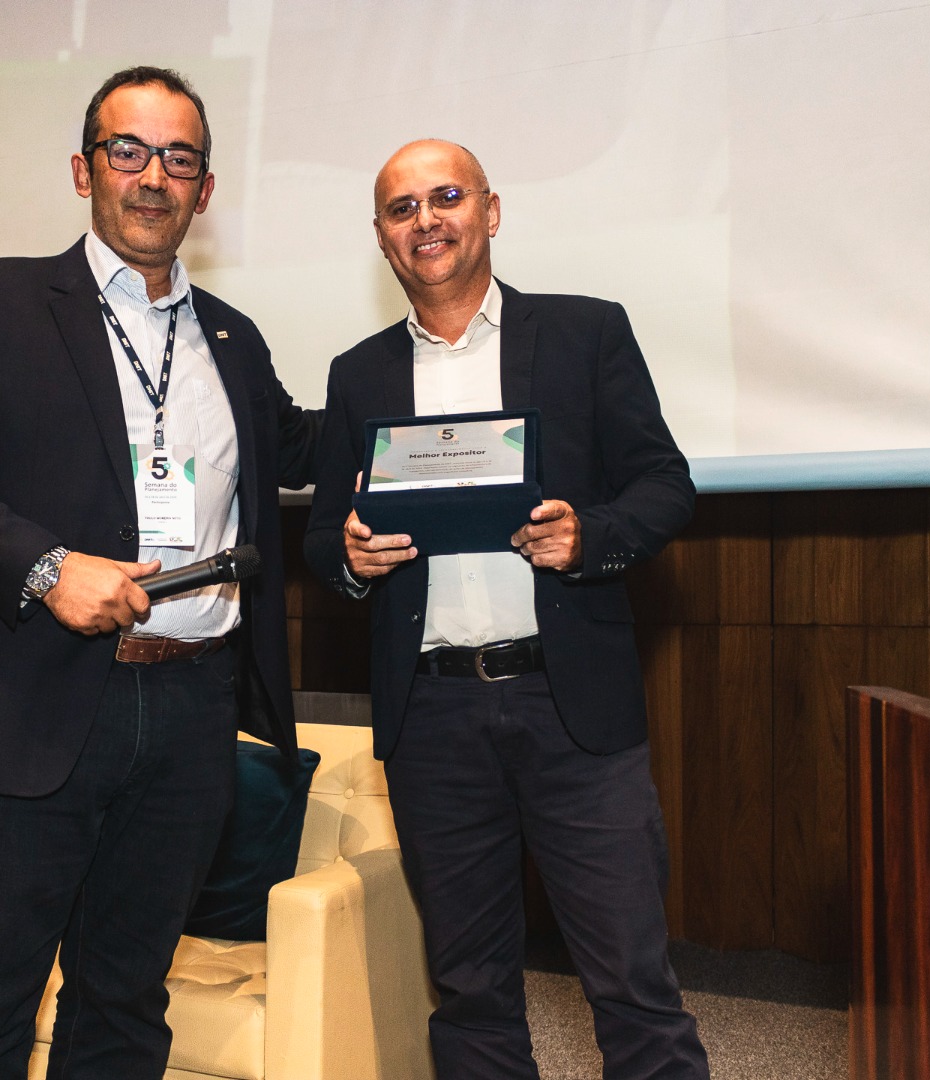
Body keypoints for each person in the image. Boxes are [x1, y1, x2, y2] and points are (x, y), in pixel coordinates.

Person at [0, 66, 317, 1080]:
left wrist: (442, 414)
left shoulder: (233, 339)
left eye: (180, 159)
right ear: (85, 170)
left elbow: (305, 451)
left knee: (124, 1007)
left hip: (191, 715)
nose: (154, 176)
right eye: (129, 151)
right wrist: (46, 567)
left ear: (206, 189)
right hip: (27, 703)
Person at [303, 140, 709, 1080]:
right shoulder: (358, 372)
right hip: (432, 719)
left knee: (632, 982)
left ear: (490, 210)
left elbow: (665, 485)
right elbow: (324, 533)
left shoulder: (585, 333)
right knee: (471, 991)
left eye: (446, 196)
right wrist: (350, 557)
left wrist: (590, 535)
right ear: (382, 238)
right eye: (402, 208)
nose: (426, 220)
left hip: (570, 705)